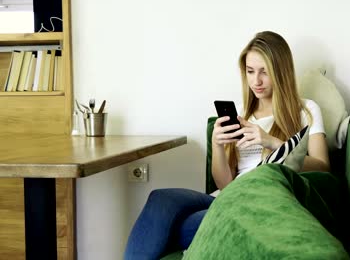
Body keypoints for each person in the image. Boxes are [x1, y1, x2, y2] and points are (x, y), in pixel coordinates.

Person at [124, 31, 330, 259]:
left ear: (281, 72)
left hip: (253, 200)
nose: (256, 81)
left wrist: (270, 141)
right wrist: (218, 145)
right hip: (226, 195)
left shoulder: (307, 110)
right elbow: (225, 183)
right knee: (160, 198)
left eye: (264, 72)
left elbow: (323, 166)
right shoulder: (243, 114)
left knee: (171, 227)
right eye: (250, 72)